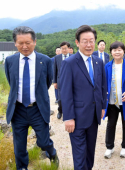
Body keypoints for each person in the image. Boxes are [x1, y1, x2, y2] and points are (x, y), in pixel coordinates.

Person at [4, 26, 59, 170]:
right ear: (15, 43)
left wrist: (36, 96)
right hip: (18, 109)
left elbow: (46, 82)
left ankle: (52, 153)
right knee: (19, 146)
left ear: (34, 42)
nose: (24, 46)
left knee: (43, 142)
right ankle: (22, 167)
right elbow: (12, 83)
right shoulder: (10, 61)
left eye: (28, 42)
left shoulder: (45, 60)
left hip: (37, 109)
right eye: (20, 43)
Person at [59, 25, 107, 170]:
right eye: (85, 41)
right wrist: (68, 117)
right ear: (77, 42)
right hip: (77, 118)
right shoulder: (69, 63)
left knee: (90, 153)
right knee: (79, 157)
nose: (88, 44)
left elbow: (102, 87)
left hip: (93, 116)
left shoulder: (99, 62)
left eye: (91, 41)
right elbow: (65, 92)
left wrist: (103, 106)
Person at [103, 41, 125, 159]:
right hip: (112, 101)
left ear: (123, 51)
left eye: (119, 50)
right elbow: (103, 83)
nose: (117, 52)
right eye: (114, 50)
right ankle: (109, 147)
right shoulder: (107, 66)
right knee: (110, 124)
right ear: (111, 52)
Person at [54, 41, 70, 119]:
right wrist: (54, 82)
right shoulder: (57, 58)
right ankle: (60, 111)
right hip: (60, 81)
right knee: (60, 99)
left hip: (71, 81)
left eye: (65, 48)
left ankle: (69, 112)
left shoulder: (73, 57)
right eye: (62, 49)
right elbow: (55, 70)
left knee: (71, 97)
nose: (64, 50)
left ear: (68, 48)